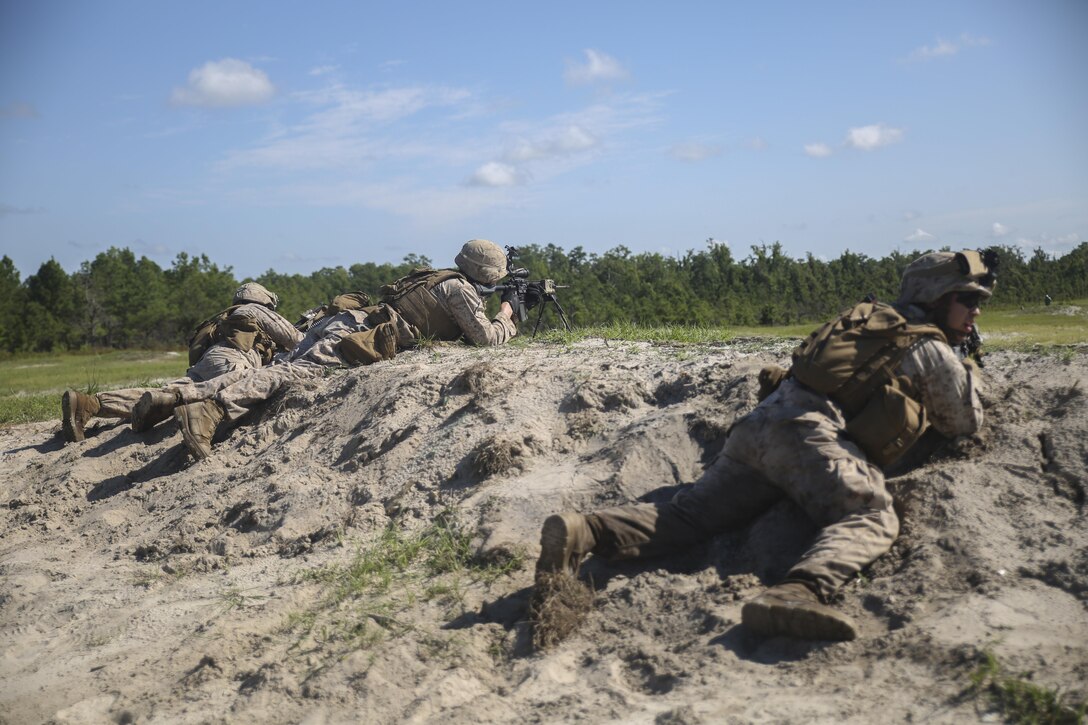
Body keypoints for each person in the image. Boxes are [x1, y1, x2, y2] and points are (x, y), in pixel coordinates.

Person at [534, 249, 994, 641]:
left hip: (758, 428)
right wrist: (964, 369)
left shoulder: (860, 320)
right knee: (871, 513)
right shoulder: (928, 347)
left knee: (690, 514)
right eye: (968, 300)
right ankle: (798, 592)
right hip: (811, 441)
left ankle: (587, 531)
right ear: (936, 298)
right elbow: (964, 423)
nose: (975, 311)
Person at [154, 239, 522, 460]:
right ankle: (209, 410)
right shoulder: (460, 289)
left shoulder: (438, 276)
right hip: (357, 337)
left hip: (343, 322)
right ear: (489, 273)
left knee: (270, 369)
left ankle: (171, 397)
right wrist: (507, 314)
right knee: (287, 374)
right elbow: (486, 339)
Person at [60, 282, 301, 443]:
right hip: (233, 360)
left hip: (206, 362)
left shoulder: (221, 318)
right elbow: (296, 340)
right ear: (265, 301)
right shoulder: (256, 311)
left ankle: (90, 404)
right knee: (214, 395)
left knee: (167, 391)